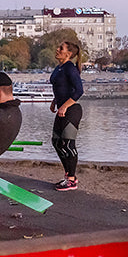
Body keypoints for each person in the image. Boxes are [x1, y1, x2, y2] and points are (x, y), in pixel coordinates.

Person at [49, 40, 85, 190]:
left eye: (61, 48)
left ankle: (71, 179)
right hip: (62, 108)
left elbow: (79, 91)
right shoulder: (59, 68)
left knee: (68, 144)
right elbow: (61, 87)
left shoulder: (70, 68)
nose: (57, 49)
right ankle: (68, 175)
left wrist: (63, 105)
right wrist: (55, 101)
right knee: (56, 142)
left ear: (68, 54)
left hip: (72, 110)